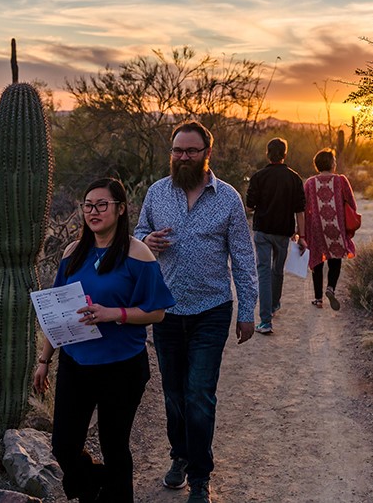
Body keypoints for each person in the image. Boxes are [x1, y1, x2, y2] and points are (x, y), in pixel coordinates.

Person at [135, 120, 258, 503]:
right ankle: (180, 456)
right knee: (173, 394)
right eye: (178, 150)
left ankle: (201, 477)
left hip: (212, 309)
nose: (183, 156)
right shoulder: (157, 193)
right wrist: (145, 241)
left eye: (191, 150)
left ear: (207, 153)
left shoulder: (228, 198)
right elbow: (136, 236)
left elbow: (242, 257)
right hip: (166, 311)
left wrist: (248, 310)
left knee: (199, 394)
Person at [33, 177, 176, 503]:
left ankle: (115, 494)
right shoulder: (73, 253)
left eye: (101, 205)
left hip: (121, 366)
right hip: (76, 363)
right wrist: (44, 360)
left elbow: (157, 313)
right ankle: (97, 485)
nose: (93, 211)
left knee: (114, 445)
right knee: (64, 446)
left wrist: (114, 314)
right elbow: (57, 313)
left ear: (120, 208)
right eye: (88, 205)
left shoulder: (138, 254)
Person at [245, 137, 306, 334]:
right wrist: (301, 235)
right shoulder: (294, 178)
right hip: (283, 232)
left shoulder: (258, 177)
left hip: (263, 230)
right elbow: (300, 211)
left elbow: (249, 206)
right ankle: (274, 305)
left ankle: (265, 321)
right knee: (277, 270)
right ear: (285, 155)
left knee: (263, 272)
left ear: (267, 154)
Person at [303, 148, 357, 311]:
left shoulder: (310, 183)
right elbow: (352, 204)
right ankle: (330, 288)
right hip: (336, 225)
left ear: (316, 165)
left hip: (317, 226)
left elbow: (304, 208)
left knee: (317, 260)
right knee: (335, 258)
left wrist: (303, 232)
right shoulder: (341, 180)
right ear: (332, 164)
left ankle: (318, 298)